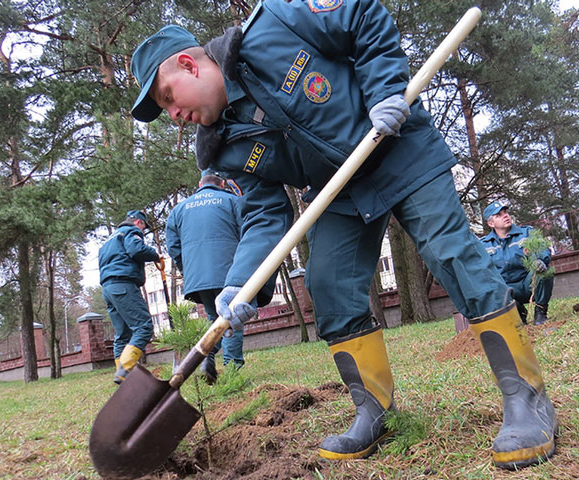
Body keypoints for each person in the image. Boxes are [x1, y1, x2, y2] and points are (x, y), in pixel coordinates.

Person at [129, 1, 556, 469]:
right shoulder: (223, 149)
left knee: (450, 252)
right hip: (339, 191)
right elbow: (264, 216)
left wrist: (385, 92)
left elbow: (362, 14)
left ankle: (527, 400)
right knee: (328, 285)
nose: (172, 115)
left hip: (397, 146)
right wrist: (239, 281)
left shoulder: (275, 25)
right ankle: (375, 411)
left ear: (189, 65)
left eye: (168, 98)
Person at [165, 168, 247, 383]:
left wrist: (188, 270)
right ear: (222, 183)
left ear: (201, 184)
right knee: (231, 317)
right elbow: (248, 232)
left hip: (198, 277)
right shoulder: (232, 201)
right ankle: (232, 372)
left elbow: (173, 246)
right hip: (229, 270)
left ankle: (205, 358)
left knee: (215, 319)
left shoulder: (179, 209)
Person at [98, 210, 160, 384]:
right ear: (139, 222)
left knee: (122, 334)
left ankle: (123, 378)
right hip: (123, 285)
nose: (143, 231)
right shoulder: (132, 231)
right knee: (144, 327)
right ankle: (125, 369)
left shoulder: (109, 241)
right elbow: (136, 249)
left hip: (108, 289)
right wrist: (155, 255)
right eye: (144, 227)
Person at [480, 201, 554, 325]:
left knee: (544, 271)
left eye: (505, 212)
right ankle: (519, 313)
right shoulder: (483, 245)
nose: (505, 216)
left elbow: (541, 247)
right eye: (499, 215)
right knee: (494, 288)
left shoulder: (526, 233)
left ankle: (540, 312)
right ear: (491, 223)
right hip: (507, 290)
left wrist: (540, 260)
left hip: (529, 282)